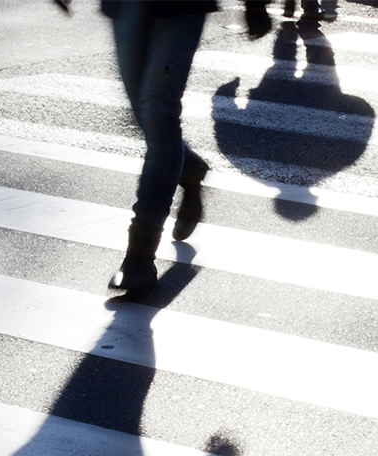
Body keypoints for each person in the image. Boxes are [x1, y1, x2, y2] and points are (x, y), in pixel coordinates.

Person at [59, 0, 272, 298]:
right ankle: (188, 167)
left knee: (159, 114)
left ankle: (140, 257)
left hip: (179, 6)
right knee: (145, 118)